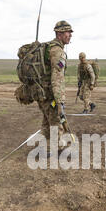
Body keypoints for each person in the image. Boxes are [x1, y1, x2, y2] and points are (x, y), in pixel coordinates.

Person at [37, 20, 73, 154]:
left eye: (70, 32)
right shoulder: (57, 51)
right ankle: (57, 150)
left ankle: (43, 148)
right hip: (50, 94)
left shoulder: (48, 48)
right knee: (56, 122)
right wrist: (59, 100)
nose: (70, 35)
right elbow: (57, 76)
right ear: (59, 34)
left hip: (41, 93)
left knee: (47, 122)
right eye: (67, 32)